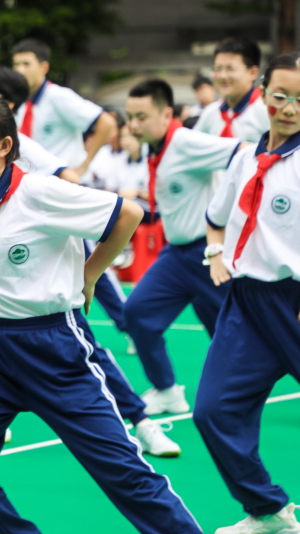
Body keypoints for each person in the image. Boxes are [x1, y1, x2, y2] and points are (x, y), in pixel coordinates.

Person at [0, 92, 202, 534]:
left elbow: (128, 213)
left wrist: (89, 274)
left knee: (123, 473)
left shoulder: (39, 192)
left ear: (4, 145)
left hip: (54, 347)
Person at [195, 52, 300, 534]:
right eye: (281, 95)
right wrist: (215, 253)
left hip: (294, 301)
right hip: (246, 302)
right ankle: (267, 510)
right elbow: (216, 218)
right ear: (262, 94)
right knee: (213, 410)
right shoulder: (244, 157)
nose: (290, 108)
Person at [124, 79, 241, 415]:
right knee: (137, 313)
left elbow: (246, 152)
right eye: (130, 117)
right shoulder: (154, 148)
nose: (133, 125)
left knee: (251, 333)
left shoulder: (186, 142)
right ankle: (167, 391)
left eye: (142, 117)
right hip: (176, 256)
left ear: (166, 115)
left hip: (209, 254)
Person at [12, 38, 117, 175]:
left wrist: (84, 166)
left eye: (26, 64)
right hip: (37, 182)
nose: (20, 70)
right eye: (16, 64)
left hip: (64, 182)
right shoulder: (20, 103)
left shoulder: (58, 96)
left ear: (44, 68)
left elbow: (107, 122)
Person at [194, 38, 268, 142]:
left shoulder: (266, 112)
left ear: (252, 73)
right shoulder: (210, 113)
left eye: (230, 69)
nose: (222, 76)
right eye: (218, 69)